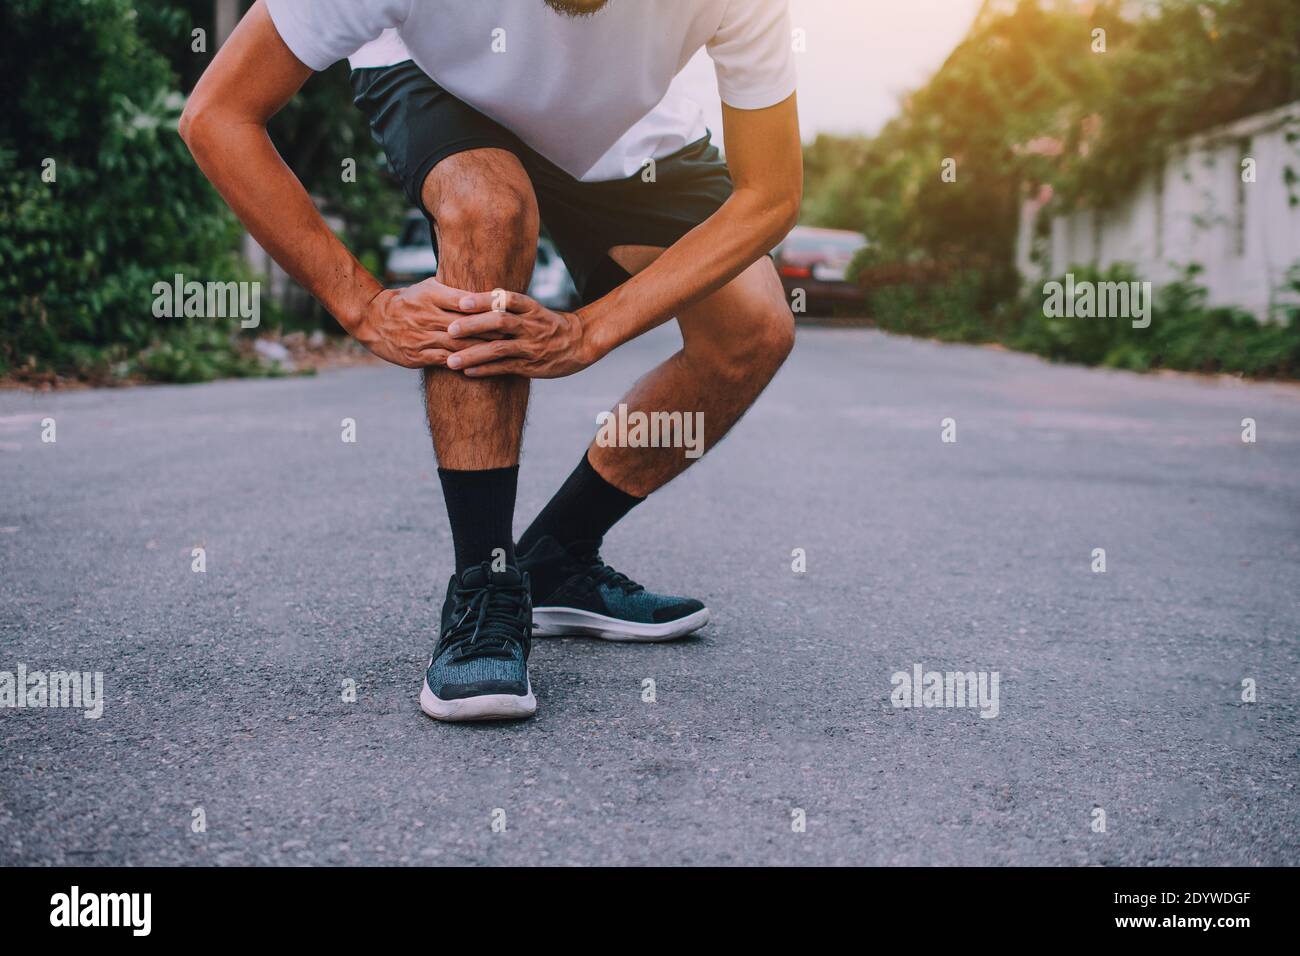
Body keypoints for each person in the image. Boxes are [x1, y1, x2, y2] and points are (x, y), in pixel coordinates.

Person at [179, 0, 803, 721]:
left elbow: (771, 194)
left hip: (625, 126)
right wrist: (363, 306)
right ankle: (484, 584)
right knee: (488, 209)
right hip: (443, 75)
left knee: (752, 332)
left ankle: (556, 558)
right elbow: (218, 115)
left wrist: (589, 331)